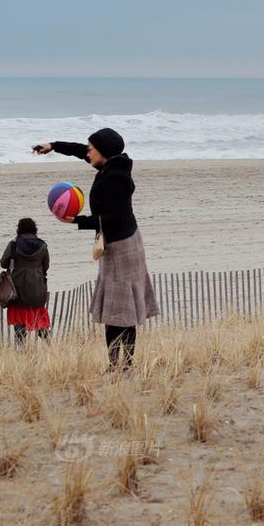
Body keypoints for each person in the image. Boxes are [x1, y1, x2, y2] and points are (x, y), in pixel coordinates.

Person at [34, 128, 158, 370]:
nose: (87, 152)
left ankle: (124, 365)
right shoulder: (109, 165)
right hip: (113, 243)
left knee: (122, 312)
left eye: (92, 148)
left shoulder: (116, 178)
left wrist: (76, 221)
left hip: (124, 246)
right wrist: (53, 145)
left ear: (104, 152)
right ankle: (116, 365)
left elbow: (114, 218)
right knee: (116, 312)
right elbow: (81, 151)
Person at [0, 217, 51, 345]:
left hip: (17, 289)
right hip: (37, 289)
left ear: (19, 229)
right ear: (34, 229)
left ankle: (21, 351)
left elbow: (3, 263)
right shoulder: (43, 246)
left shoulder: (13, 245)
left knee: (19, 322)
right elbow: (46, 266)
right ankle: (51, 346)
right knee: (39, 319)